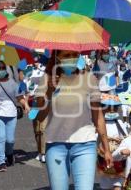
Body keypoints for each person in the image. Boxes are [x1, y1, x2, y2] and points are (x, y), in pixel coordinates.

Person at [35, 50, 113, 190]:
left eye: (74, 55)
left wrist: (106, 148)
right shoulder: (47, 79)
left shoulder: (90, 79)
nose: (71, 59)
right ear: (57, 57)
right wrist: (49, 92)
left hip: (85, 144)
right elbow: (40, 117)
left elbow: (98, 115)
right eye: (66, 55)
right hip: (55, 145)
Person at [0, 60, 29, 172]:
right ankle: (1, 162)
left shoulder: (13, 83)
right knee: (0, 138)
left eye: (3, 68)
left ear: (6, 69)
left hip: (11, 114)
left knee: (10, 140)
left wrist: (25, 105)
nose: (1, 71)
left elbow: (19, 97)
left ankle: (9, 154)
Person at [98, 93, 130, 190]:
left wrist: (122, 140)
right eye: (109, 107)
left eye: (114, 108)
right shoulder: (98, 122)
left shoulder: (119, 122)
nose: (112, 110)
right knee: (105, 183)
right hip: (103, 157)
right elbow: (96, 138)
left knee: (118, 183)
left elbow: (125, 137)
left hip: (119, 157)